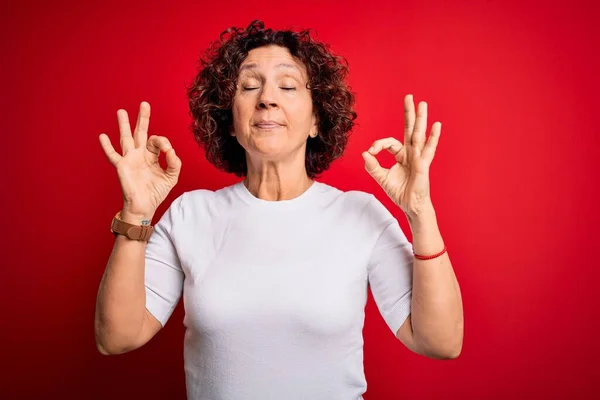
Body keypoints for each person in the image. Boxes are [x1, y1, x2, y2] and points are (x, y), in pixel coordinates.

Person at [94, 20, 463, 400]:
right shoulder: (190, 214)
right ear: (231, 122)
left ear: (317, 120)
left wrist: (420, 210)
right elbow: (116, 338)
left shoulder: (360, 215)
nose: (267, 98)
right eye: (249, 85)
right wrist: (135, 212)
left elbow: (441, 342)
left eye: (287, 86)